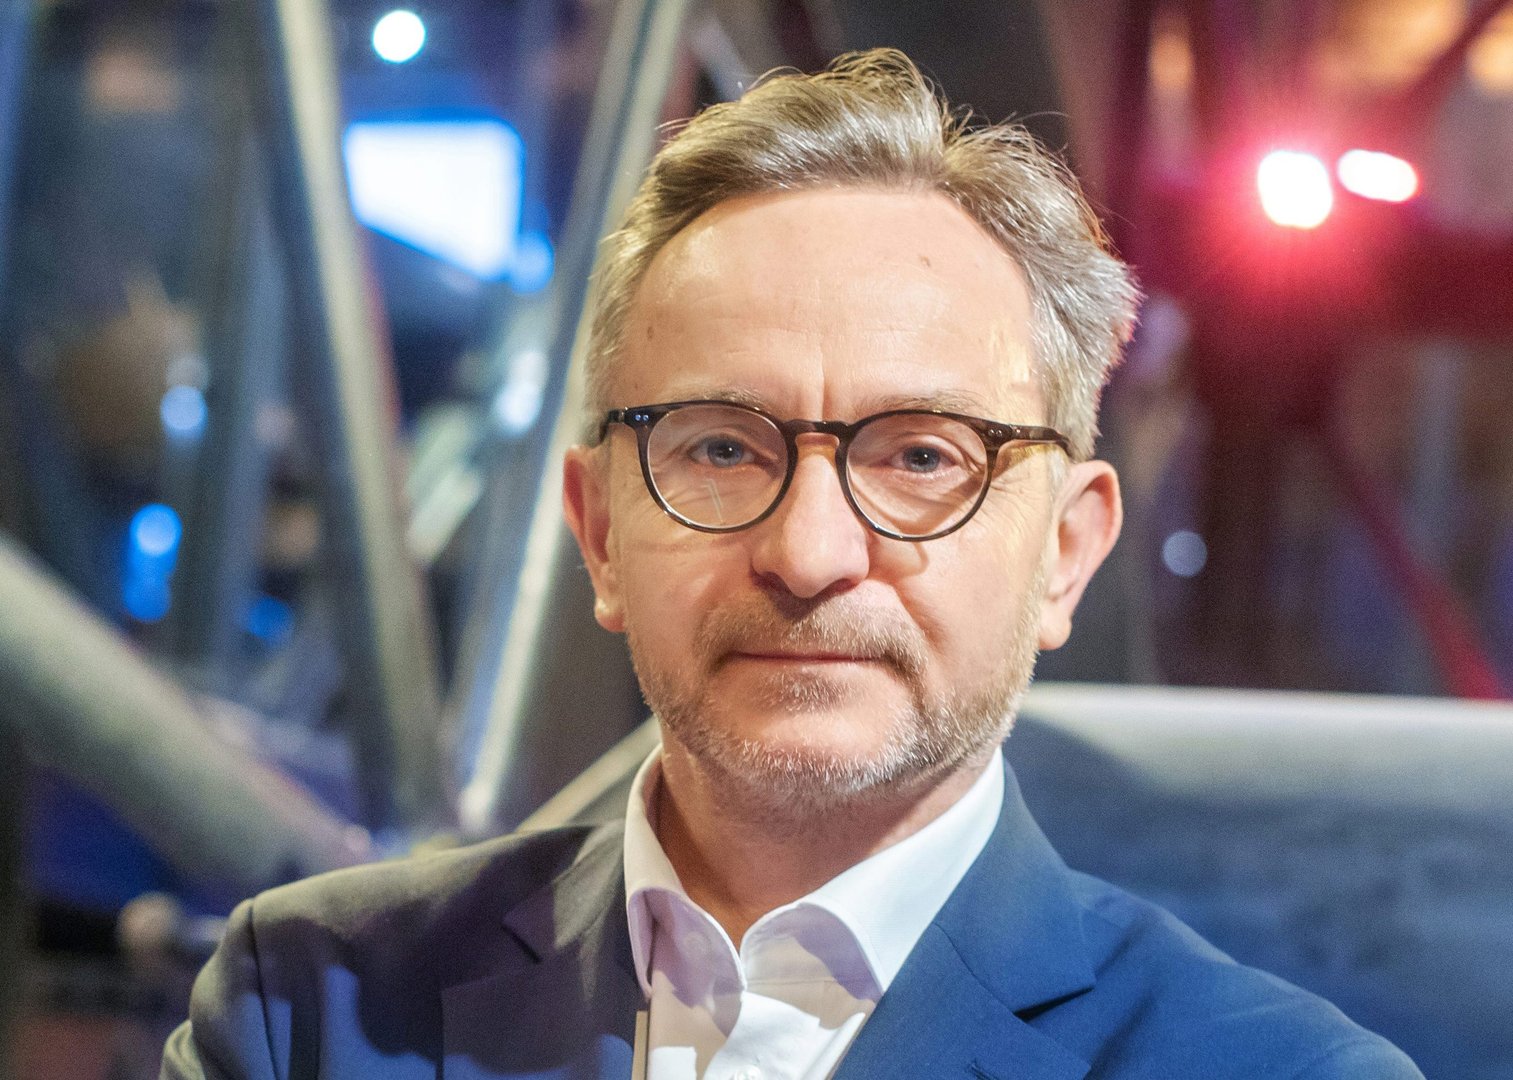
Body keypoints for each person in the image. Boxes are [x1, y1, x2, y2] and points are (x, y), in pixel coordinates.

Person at [161, 49, 1423, 1080]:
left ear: (1065, 553)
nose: (810, 554)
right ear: (599, 534)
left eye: (921, 457)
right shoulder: (311, 1010)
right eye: (719, 447)